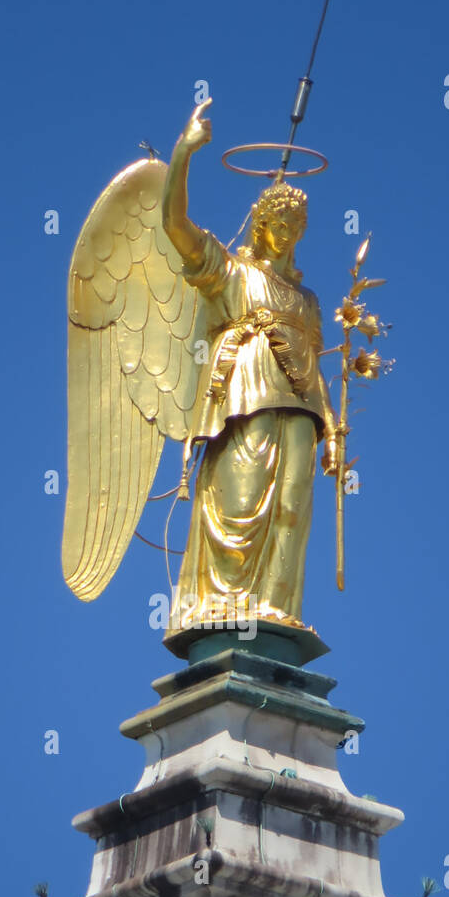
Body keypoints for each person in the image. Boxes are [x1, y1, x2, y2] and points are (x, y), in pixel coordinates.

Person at [162, 99, 337, 637]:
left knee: (292, 513)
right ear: (259, 224)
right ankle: (221, 607)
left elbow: (314, 363)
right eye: (277, 222)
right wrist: (183, 154)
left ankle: (278, 610)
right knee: (239, 508)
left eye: (295, 224)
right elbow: (175, 225)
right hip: (246, 399)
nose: (286, 232)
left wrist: (330, 426)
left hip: (302, 408)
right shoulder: (232, 274)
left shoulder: (305, 299)